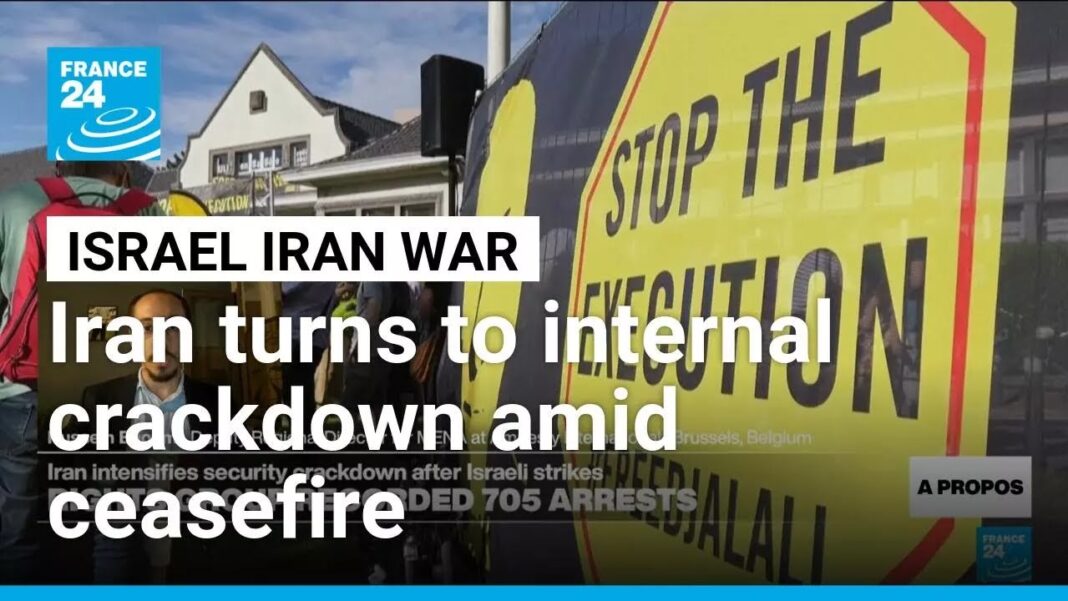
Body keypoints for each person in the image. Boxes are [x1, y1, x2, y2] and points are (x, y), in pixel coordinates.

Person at [0, 161, 163, 583]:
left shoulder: (14, 202)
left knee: (17, 528)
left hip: (25, 389)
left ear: (59, 166)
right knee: (114, 525)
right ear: (123, 171)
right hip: (116, 390)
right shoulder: (146, 210)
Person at [76, 289, 221, 583]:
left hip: (193, 550)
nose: (160, 343)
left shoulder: (218, 401)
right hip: (118, 547)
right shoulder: (99, 398)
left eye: (173, 329)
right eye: (147, 329)